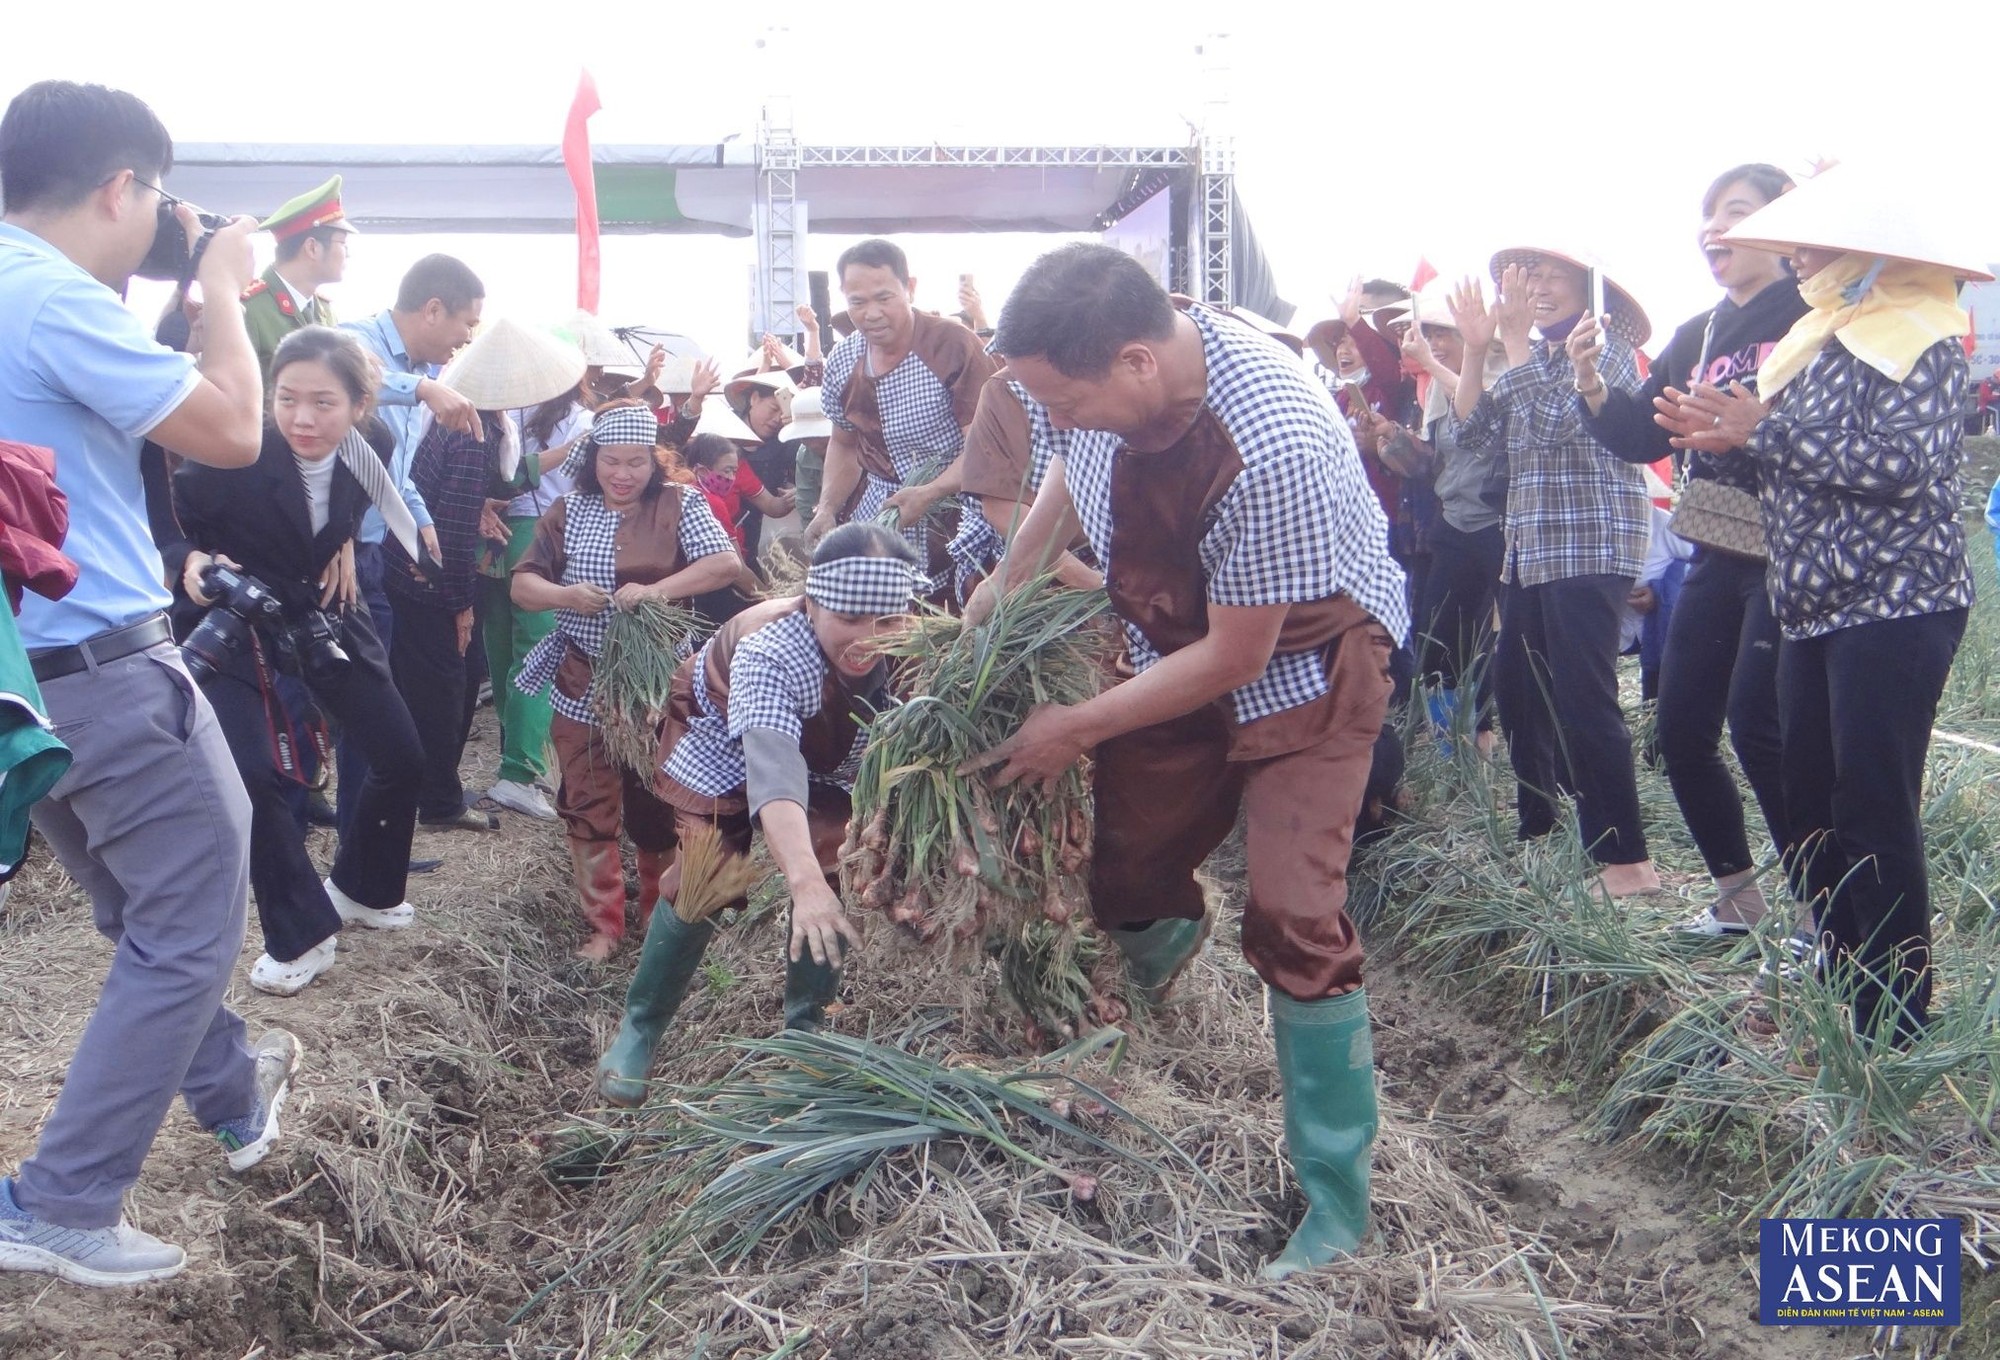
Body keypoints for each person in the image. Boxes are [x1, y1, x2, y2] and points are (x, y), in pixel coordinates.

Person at [962, 244, 1408, 1281]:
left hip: (1305, 661)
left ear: (1133, 363)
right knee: (1123, 866)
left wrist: (1075, 725)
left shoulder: (1270, 442)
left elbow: (1239, 654)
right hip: (1178, 644)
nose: (1055, 421)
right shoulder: (1111, 397)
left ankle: (1335, 1202)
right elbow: (1068, 481)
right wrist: (988, 606)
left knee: (1295, 911)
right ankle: (1148, 992)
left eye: (1060, 398)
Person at [0, 80, 298, 1287]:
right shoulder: (50, 296)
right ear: (123, 187)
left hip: (27, 674)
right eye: (156, 198)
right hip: (105, 667)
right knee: (185, 928)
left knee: (141, 908)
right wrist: (221, 285)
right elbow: (232, 428)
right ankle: (61, 1201)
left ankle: (231, 1095)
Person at [1666, 166, 1983, 1042]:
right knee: (1807, 797)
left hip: (1896, 603)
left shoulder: (1920, 334)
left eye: (1811, 241)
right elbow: (1787, 456)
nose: (1796, 255)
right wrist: (1721, 432)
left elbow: (1903, 464)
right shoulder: (1816, 337)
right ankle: (1839, 980)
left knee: (1872, 803)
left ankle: (1893, 1026)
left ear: (1868, 253)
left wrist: (1764, 430)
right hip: (1809, 601)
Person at [595, 523, 921, 1103]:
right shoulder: (772, 649)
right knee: (708, 877)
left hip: (834, 751)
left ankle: (806, 1033)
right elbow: (773, 770)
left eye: (887, 622)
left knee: (831, 867)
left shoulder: (915, 643)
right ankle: (640, 1026)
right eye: (847, 619)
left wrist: (816, 883)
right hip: (722, 735)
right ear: (812, 603)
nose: (868, 639)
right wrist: (797, 881)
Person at [1572, 165, 1806, 936]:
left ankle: (1819, 908)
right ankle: (1739, 897)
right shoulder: (1699, 333)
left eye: (1735, 213)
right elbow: (1643, 435)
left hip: (1792, 554)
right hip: (1715, 550)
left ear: (1782, 226)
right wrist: (1593, 386)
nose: (1714, 230)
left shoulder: (1812, 315)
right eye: (1707, 217)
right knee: (1679, 728)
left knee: (1759, 723)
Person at [166, 326, 425, 995]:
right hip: (235, 616)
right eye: (287, 399)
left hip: (322, 608)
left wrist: (338, 542)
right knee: (252, 778)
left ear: (361, 405)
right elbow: (166, 522)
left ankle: (363, 888)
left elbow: (340, 511)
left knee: (399, 755)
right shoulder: (234, 454)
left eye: (324, 403)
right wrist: (187, 561)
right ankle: (300, 932)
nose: (303, 419)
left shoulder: (377, 449)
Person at [1450, 248, 1664, 898]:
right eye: (1525, 276)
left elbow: (1548, 428)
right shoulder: (1532, 357)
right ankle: (1541, 829)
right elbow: (1471, 437)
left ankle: (1628, 862)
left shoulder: (1608, 348)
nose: (1535, 288)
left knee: (1583, 697)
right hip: (1534, 547)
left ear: (1588, 286)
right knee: (1517, 693)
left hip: (1592, 541)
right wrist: (1475, 349)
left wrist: (1511, 344)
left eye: (1550, 275)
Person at [511, 401, 741, 961]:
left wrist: (655, 592)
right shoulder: (567, 509)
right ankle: (605, 926)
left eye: (636, 462)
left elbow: (725, 564)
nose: (623, 474)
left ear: (654, 461)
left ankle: (656, 917)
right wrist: (566, 596)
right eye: (611, 461)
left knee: (658, 798)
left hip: (658, 679)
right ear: (593, 460)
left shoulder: (679, 502)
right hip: (582, 675)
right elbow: (522, 585)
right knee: (588, 797)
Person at [386, 318, 582, 833]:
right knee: (465, 678)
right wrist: (460, 602)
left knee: (475, 669)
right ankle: (455, 795)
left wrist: (481, 507)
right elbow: (451, 516)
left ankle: (441, 789)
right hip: (436, 566)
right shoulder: (474, 427)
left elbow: (502, 481)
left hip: (449, 558)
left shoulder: (483, 422)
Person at [337, 255, 481, 854]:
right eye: (465, 324)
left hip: (375, 554)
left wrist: (421, 522)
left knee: (376, 706)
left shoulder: (421, 373)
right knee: (360, 708)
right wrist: (420, 387)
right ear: (431, 309)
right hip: (338, 556)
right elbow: (352, 384)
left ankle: (368, 843)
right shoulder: (355, 341)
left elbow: (394, 468)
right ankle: (352, 845)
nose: (466, 338)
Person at [805, 238, 1000, 598]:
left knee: (952, 611)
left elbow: (984, 446)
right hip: (880, 508)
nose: (871, 314)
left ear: (909, 288)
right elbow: (844, 443)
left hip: (955, 505)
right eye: (857, 303)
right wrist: (827, 509)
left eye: (884, 298)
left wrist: (931, 491)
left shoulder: (953, 345)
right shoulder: (844, 359)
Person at [480, 357, 596, 823]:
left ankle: (516, 756)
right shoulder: (581, 422)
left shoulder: (501, 413)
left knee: (503, 649)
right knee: (538, 656)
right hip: (543, 532)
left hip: (493, 535)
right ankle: (521, 773)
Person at [1396, 285, 1506, 754]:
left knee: (1493, 641)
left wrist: (1436, 366)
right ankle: (1450, 752)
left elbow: (1482, 421)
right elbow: (1436, 462)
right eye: (1432, 335)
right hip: (1454, 524)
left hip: (1500, 528)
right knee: (1437, 640)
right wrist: (1395, 446)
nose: (1436, 344)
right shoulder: (1436, 391)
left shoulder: (1507, 375)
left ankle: (1491, 742)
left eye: (1447, 333)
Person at [944, 370, 1103, 600]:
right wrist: (1091, 584)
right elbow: (1002, 511)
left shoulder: (1105, 384)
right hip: (1032, 572)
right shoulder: (1005, 389)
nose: (1055, 419)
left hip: (1104, 561)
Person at [242, 175, 354, 381]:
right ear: (312, 248)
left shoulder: (325, 310)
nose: (348, 254)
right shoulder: (250, 309)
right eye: (343, 244)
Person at [679, 428, 795, 620]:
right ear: (701, 470)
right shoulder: (711, 503)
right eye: (727, 471)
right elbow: (737, 569)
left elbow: (774, 507)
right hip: (715, 592)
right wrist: (770, 599)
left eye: (734, 471)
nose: (732, 479)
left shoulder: (680, 491)